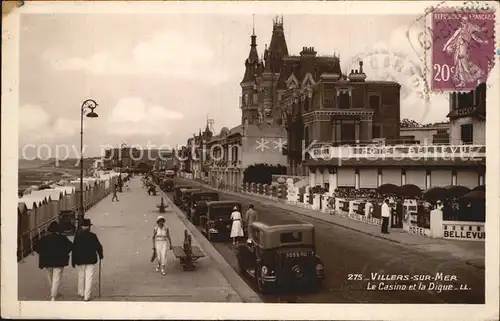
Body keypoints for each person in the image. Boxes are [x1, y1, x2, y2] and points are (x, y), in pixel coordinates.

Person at [33, 221, 73, 301]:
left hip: (47, 261)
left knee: (50, 278)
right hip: (59, 261)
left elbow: (36, 247)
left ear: (49, 230)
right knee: (56, 278)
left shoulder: (44, 238)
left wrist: (42, 253)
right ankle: (53, 296)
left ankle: (54, 292)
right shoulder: (62, 238)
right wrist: (64, 253)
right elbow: (70, 246)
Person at [72, 219, 104, 301]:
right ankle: (87, 296)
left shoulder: (77, 236)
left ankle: (81, 292)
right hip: (90, 259)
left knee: (81, 276)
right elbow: (99, 246)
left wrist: (73, 261)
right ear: (89, 227)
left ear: (82, 227)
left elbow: (74, 249)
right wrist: (101, 255)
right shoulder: (93, 235)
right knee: (89, 277)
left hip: (80, 260)